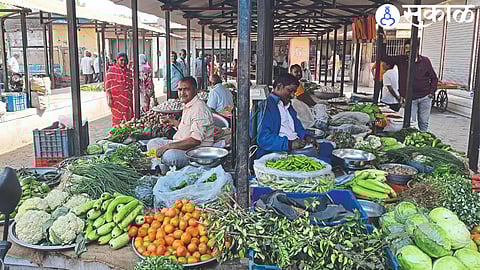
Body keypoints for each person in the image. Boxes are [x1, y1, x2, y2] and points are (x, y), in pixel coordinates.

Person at [255, 74, 334, 160]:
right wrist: (289, 144)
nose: (292, 95)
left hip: (295, 146)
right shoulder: (266, 106)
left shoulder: (288, 105)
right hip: (280, 151)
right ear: (279, 87)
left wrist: (306, 136)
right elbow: (263, 139)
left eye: (294, 92)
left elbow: (297, 126)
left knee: (329, 148)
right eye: (290, 90)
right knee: (325, 161)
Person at [153, 76, 214, 169]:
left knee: (169, 156)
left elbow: (195, 140)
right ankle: (163, 162)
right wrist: (173, 122)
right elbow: (187, 128)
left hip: (195, 151)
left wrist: (168, 146)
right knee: (153, 143)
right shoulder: (188, 105)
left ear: (195, 90)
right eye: (180, 89)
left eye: (186, 89)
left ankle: (163, 162)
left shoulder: (199, 109)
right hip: (180, 143)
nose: (182, 93)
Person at [382, 39, 438, 131]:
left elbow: (434, 78)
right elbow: (384, 57)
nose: (407, 50)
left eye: (410, 48)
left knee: (424, 122)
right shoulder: (401, 60)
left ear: (417, 49)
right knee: (410, 123)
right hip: (410, 99)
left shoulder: (425, 61)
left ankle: (422, 141)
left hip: (425, 97)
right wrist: (384, 42)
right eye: (406, 48)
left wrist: (431, 93)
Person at [105, 52, 133, 126]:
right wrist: (109, 97)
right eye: (121, 60)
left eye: (125, 60)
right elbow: (107, 86)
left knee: (128, 118)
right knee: (117, 119)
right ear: (117, 60)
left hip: (127, 99)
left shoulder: (129, 71)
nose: (123, 62)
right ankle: (116, 133)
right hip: (116, 100)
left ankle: (127, 133)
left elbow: (131, 85)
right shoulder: (111, 71)